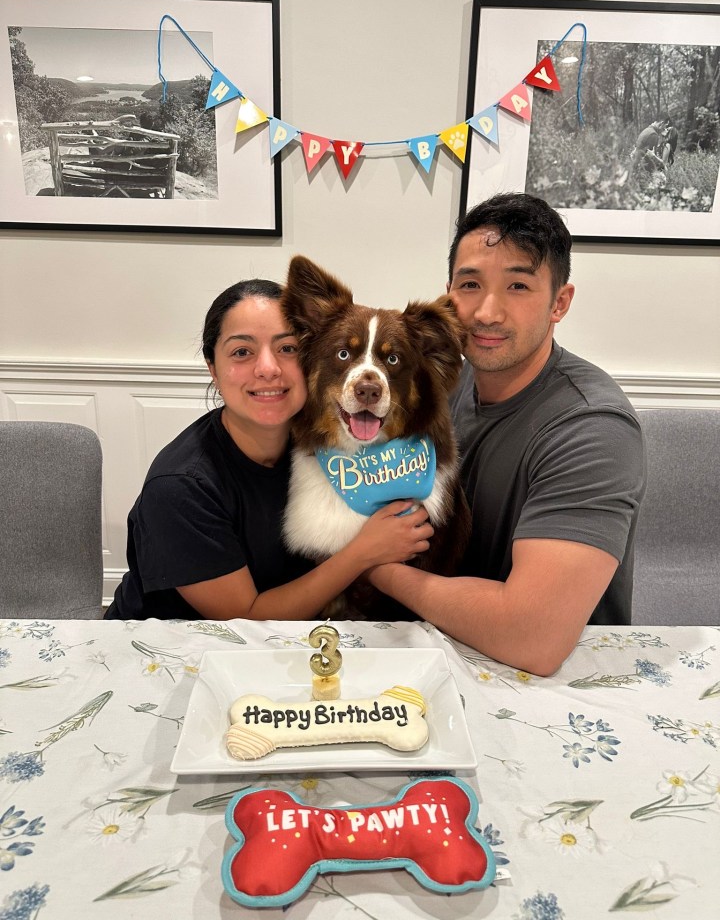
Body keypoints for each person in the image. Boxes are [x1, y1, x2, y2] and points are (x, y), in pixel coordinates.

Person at [368, 193, 646, 676]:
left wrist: (370, 566)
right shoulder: (440, 384)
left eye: (518, 285)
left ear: (560, 302)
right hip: (441, 646)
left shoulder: (593, 428)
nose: (487, 312)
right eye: (470, 284)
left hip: (555, 683)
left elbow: (533, 638)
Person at [105, 279, 433, 621]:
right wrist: (363, 553)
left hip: (291, 642)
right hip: (178, 650)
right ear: (213, 369)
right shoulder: (180, 488)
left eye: (287, 348)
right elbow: (246, 618)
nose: (268, 369)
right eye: (242, 352)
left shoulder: (329, 446)